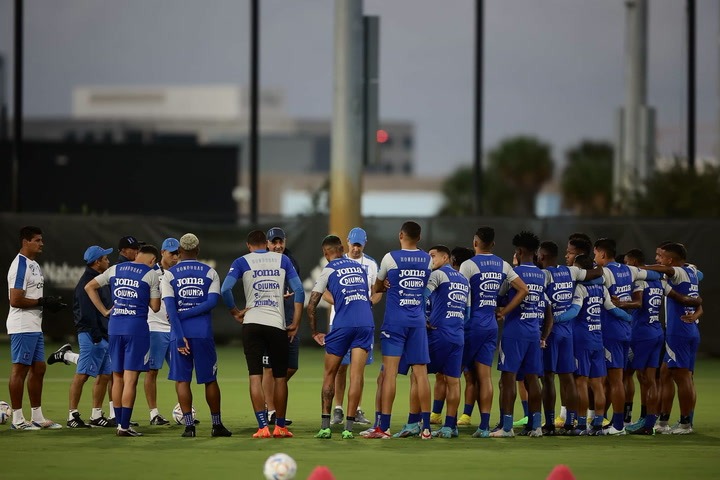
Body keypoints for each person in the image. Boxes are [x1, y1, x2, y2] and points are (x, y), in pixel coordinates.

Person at [220, 230, 304, 438]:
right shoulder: (283, 260)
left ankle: (262, 427)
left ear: (249, 246)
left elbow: (225, 289)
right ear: (265, 244)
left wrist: (235, 312)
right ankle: (280, 427)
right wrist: (295, 322)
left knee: (255, 376)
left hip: (252, 323)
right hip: (276, 324)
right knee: (280, 378)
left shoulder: (242, 261)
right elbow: (300, 291)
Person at [366, 221, 433, 439]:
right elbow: (424, 286)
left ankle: (384, 428)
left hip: (395, 322)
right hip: (417, 322)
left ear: (400, 235)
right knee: (421, 374)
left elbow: (377, 287)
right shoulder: (427, 259)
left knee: (390, 373)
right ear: (419, 238)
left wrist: (385, 285)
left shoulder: (390, 258)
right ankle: (426, 428)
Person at [85, 244, 161, 437]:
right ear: (153, 260)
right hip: (136, 329)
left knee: (117, 377)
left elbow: (89, 287)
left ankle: (120, 423)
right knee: (130, 379)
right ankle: (124, 426)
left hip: (115, 327)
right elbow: (155, 306)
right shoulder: (151, 274)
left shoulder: (115, 269)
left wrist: (104, 311)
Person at [458, 226, 527, 438]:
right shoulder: (503, 265)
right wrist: (504, 311)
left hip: (470, 325)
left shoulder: (468, 265)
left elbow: (459, 293)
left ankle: (449, 423)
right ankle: (484, 427)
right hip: (490, 326)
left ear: (475, 242)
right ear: (493, 244)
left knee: (451, 375)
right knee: (485, 376)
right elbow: (523, 289)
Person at [162, 233, 232, 438]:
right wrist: (188, 314)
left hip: (179, 334)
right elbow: (211, 303)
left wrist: (180, 331)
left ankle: (189, 427)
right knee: (210, 380)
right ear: (198, 250)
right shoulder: (210, 272)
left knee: (182, 380)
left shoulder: (169, 275)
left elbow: (171, 309)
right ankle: (216, 425)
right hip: (202, 333)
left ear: (179, 251)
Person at [308, 235, 375, 439]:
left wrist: (315, 332)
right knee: (356, 376)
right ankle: (348, 429)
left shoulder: (328, 269)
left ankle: (325, 426)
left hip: (343, 325)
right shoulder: (360, 268)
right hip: (366, 323)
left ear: (325, 253)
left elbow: (312, 304)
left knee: (330, 373)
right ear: (341, 248)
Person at [593, 238, 662, 435]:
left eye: (595, 254)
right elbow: (655, 274)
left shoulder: (604, 272)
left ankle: (617, 425)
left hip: (610, 332)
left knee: (615, 380)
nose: (594, 257)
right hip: (626, 331)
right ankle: (621, 422)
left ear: (602, 254)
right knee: (622, 378)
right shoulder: (630, 270)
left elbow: (586, 280)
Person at [559, 254, 633, 435]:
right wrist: (629, 318)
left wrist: (555, 318)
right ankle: (598, 424)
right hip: (598, 339)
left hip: (582, 340)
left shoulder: (580, 288)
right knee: (598, 383)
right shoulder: (601, 288)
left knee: (581, 382)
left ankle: (581, 425)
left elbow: (574, 311)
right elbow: (613, 309)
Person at [536, 240, 602, 435]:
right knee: (568, 378)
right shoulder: (571, 272)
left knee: (548, 378)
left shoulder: (544, 275)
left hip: (550, 331)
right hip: (568, 333)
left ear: (542, 256)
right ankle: (570, 423)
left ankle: (549, 424)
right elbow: (597, 273)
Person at [6, 226, 66, 430]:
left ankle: (37, 417)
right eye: (37, 240)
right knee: (20, 370)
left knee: (39, 368)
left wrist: (46, 303)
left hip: (34, 324)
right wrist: (42, 302)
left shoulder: (34, 265)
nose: (42, 244)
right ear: (26, 242)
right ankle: (17, 420)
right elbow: (15, 300)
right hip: (22, 325)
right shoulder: (20, 265)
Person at [639, 242, 701, 434]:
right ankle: (664, 421)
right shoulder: (691, 271)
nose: (656, 258)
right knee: (666, 373)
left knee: (683, 378)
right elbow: (698, 298)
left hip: (678, 331)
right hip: (690, 329)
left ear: (670, 260)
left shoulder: (678, 272)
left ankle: (685, 424)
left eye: (660, 255)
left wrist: (639, 268)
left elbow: (666, 270)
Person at [490, 231, 545, 438]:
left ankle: (506, 427)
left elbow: (498, 297)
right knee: (532, 379)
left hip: (514, 331)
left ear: (519, 251)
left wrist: (502, 310)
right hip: (534, 331)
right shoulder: (541, 275)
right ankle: (536, 426)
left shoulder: (513, 273)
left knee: (508, 378)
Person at [326, 227, 381, 427]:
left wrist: (368, 302)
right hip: (339, 320)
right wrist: (341, 302)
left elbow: (377, 291)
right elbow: (323, 291)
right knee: (340, 367)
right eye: (353, 244)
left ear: (364, 244)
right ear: (347, 242)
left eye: (359, 245)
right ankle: (338, 408)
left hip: (362, 320)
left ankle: (355, 409)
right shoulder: (337, 262)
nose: (356, 249)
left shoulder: (371, 264)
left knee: (358, 369)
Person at [59, 245, 115, 428]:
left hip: (102, 334)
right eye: (105, 258)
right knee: (82, 375)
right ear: (97, 262)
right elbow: (86, 315)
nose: (108, 261)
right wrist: (97, 337)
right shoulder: (87, 283)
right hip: (91, 335)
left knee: (105, 375)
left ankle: (96, 415)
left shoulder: (99, 280)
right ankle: (72, 416)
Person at [425, 245, 469, 438]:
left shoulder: (437, 275)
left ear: (445, 258)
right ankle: (450, 426)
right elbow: (467, 313)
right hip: (458, 335)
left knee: (418, 375)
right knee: (453, 381)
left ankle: (420, 423)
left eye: (433, 256)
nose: (430, 259)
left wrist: (423, 319)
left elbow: (422, 296)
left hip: (439, 334)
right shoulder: (464, 280)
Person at [262, 227, 301, 426]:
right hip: (268, 321)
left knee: (291, 366)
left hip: (288, 320)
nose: (278, 246)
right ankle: (271, 410)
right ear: (267, 244)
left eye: (280, 242)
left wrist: (295, 321)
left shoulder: (291, 261)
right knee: (269, 368)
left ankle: (271, 396)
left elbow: (297, 291)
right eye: (274, 242)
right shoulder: (260, 262)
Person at [144, 237, 180, 425]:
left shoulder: (179, 273)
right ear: (163, 253)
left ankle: (184, 410)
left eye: (177, 253)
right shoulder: (152, 273)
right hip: (155, 327)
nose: (175, 257)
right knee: (152, 371)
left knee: (181, 371)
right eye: (172, 253)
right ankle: (154, 414)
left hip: (175, 329)